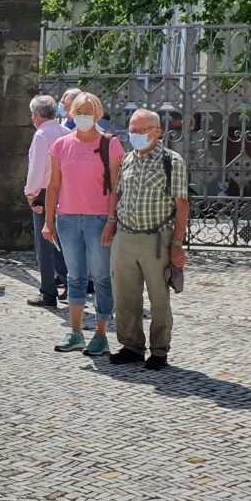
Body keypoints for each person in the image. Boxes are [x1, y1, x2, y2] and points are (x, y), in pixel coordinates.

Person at [43, 92, 123, 356]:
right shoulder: (61, 145)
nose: (84, 116)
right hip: (67, 219)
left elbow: (116, 188)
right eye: (79, 111)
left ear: (98, 114)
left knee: (101, 278)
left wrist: (111, 220)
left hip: (98, 219)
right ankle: (75, 332)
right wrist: (48, 221)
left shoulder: (110, 145)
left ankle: (101, 334)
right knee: (74, 277)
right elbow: (53, 185)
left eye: (89, 111)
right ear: (71, 114)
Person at [109, 109, 189, 370]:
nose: (135, 135)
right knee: (125, 295)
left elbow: (181, 205)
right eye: (132, 130)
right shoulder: (128, 160)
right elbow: (118, 194)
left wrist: (177, 244)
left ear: (157, 132)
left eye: (141, 130)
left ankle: (159, 350)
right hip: (125, 235)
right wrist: (111, 224)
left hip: (157, 238)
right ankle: (131, 345)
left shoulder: (172, 161)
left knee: (159, 297)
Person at [24, 95, 70, 307]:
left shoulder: (42, 135)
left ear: (36, 116)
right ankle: (70, 282)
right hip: (65, 191)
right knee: (61, 239)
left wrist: (31, 193)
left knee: (44, 242)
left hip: (44, 190)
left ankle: (47, 292)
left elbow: (36, 168)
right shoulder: (66, 132)